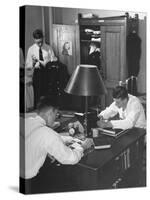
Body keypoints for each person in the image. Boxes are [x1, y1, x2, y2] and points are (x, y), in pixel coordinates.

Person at [20, 96, 90, 194]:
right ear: (50, 113)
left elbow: (37, 138)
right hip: (31, 183)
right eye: (56, 114)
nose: (55, 118)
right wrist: (83, 147)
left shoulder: (25, 121)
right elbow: (71, 158)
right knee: (68, 182)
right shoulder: (47, 134)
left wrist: (71, 139)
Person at [25, 29, 57, 107]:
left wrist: (52, 60)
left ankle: (47, 109)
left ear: (43, 38)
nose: (39, 44)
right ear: (34, 39)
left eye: (41, 42)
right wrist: (32, 62)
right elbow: (27, 65)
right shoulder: (31, 49)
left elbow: (54, 58)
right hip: (37, 73)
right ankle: (37, 112)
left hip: (47, 73)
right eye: (37, 42)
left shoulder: (48, 48)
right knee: (37, 93)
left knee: (47, 92)